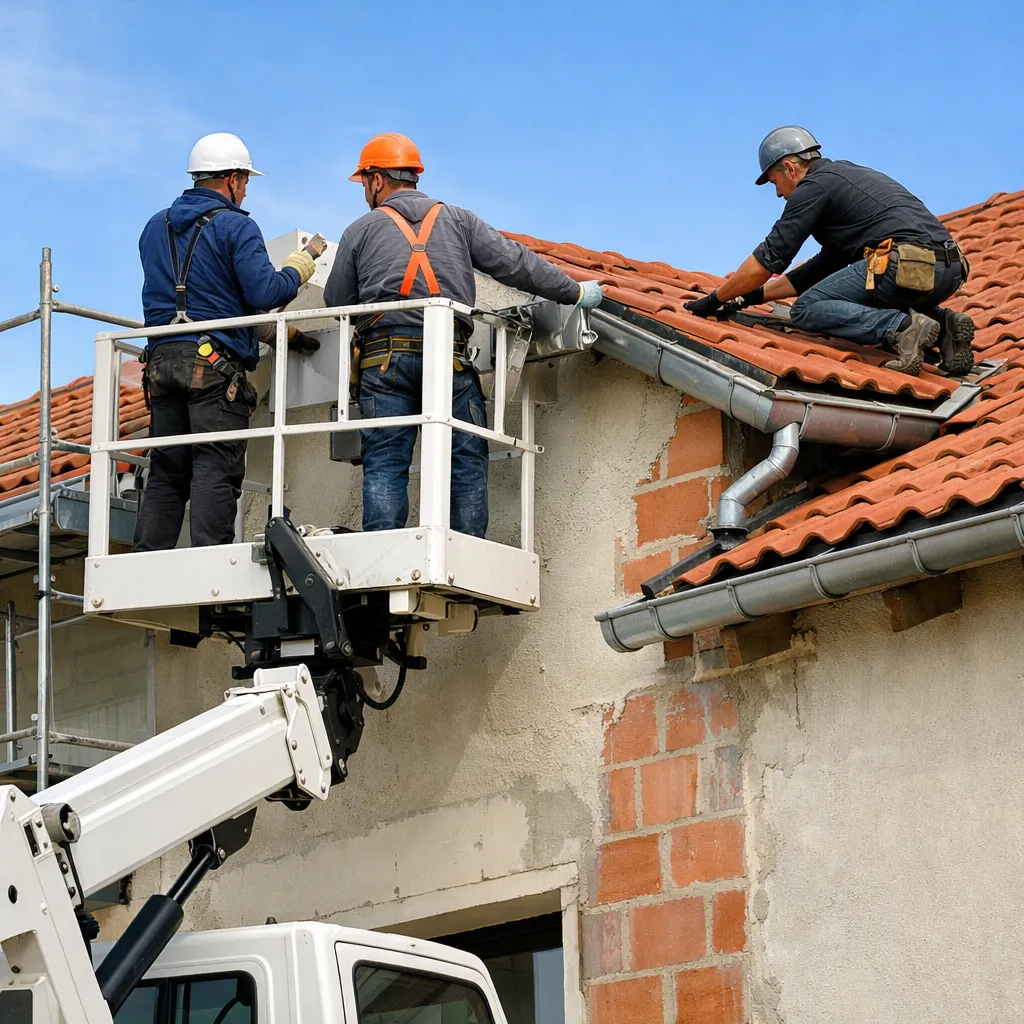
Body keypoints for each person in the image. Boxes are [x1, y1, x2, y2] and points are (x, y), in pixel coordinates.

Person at [324, 132, 603, 538]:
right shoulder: (458, 220)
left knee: (385, 460)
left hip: (385, 359)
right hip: (448, 358)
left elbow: (337, 303)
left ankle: (383, 551)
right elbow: (517, 264)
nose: (364, 193)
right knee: (466, 457)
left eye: (364, 184)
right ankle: (467, 546)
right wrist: (574, 291)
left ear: (377, 180)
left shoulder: (360, 230)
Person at [134, 132, 322, 551]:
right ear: (233, 178)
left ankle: (147, 557)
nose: (245, 190)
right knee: (214, 466)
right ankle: (210, 561)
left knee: (168, 468)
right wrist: (299, 267)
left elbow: (206, 295)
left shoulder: (154, 228)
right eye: (246, 182)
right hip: (213, 368)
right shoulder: (237, 226)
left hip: (162, 363)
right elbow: (264, 295)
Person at [684, 127, 974, 378]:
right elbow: (824, 267)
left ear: (790, 168)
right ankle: (945, 324)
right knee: (857, 289)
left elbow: (769, 259)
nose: (778, 194)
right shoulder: (844, 176)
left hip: (903, 265)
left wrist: (713, 300)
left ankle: (904, 328)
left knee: (805, 309)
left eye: (775, 183)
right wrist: (754, 296)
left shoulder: (812, 188)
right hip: (948, 270)